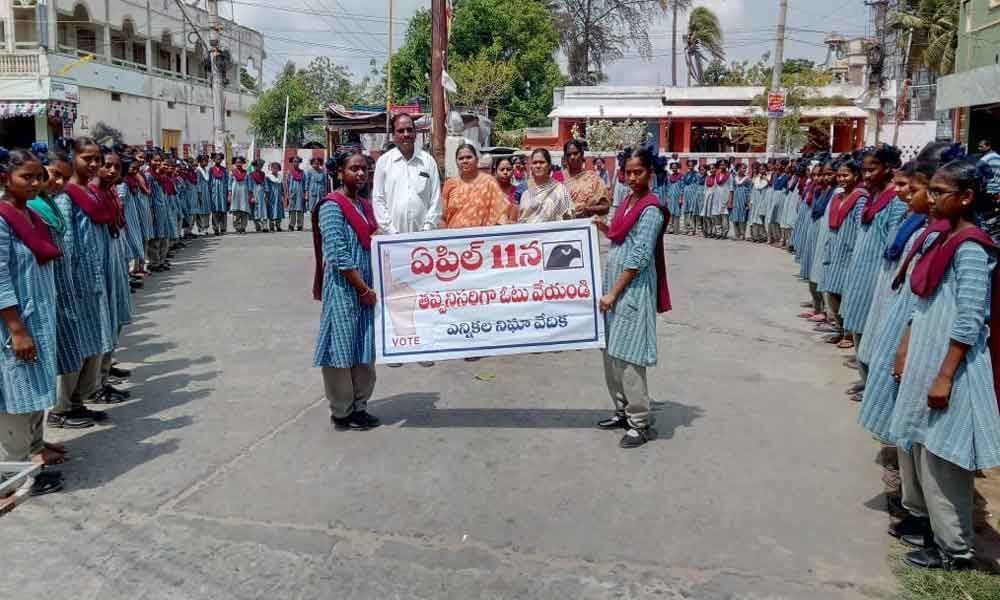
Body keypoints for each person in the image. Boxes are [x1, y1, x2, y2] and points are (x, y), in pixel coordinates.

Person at [886, 159, 1000, 571]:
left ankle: (955, 549)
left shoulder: (971, 247)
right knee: (921, 446)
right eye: (930, 191)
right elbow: (924, 304)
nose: (930, 199)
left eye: (938, 192)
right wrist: (906, 348)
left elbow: (970, 318)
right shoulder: (946, 238)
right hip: (926, 356)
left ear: (966, 197)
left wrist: (945, 374)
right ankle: (932, 530)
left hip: (951, 366)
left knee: (944, 460)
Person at [593, 146, 671, 449]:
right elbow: (620, 235)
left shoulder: (651, 209)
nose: (632, 177)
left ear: (650, 173)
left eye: (638, 172)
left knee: (629, 357)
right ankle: (623, 410)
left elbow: (638, 256)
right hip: (615, 290)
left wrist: (614, 292)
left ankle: (640, 422)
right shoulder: (627, 201)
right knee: (612, 352)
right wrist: (604, 228)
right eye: (628, 172)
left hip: (632, 290)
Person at [0, 147, 64, 499]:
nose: (37, 183)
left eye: (40, 176)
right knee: (15, 395)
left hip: (39, 315)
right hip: (16, 322)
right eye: (28, 177)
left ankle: (35, 449)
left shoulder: (29, 214)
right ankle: (12, 474)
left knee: (37, 385)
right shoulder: (2, 217)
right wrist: (17, 329)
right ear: (5, 178)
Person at [48, 138, 117, 428]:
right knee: (72, 347)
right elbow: (65, 247)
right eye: (87, 158)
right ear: (73, 158)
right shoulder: (67, 196)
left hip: (91, 279)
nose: (94, 164)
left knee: (90, 343)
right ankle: (60, 409)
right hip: (72, 284)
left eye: (97, 159)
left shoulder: (89, 193)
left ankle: (77, 402)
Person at [312, 151, 380, 431]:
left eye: (364, 169)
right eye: (354, 169)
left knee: (363, 344)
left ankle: (360, 405)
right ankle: (341, 410)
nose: (361, 174)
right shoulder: (332, 206)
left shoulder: (364, 205)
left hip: (366, 286)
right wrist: (362, 288)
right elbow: (337, 254)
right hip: (344, 287)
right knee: (340, 347)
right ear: (340, 172)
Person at [839, 146, 906, 399]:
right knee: (857, 324)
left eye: (872, 170)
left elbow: (892, 245)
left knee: (872, 329)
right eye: (864, 170)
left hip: (877, 273)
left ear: (888, 168)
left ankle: (874, 386)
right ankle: (865, 376)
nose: (866, 175)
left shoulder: (895, 201)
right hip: (860, 268)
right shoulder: (871, 195)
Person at [818, 159, 868, 348]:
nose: (841, 179)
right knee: (831, 292)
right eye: (839, 175)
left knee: (846, 293)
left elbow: (859, 227)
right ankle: (839, 328)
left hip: (849, 251)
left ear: (856, 176)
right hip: (835, 249)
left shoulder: (860, 198)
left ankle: (848, 333)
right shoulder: (838, 197)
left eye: (845, 175)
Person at [372, 113, 442, 235]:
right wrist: (391, 231)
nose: (406, 134)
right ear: (393, 135)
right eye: (400, 131)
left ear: (415, 134)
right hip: (393, 238)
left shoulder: (428, 161)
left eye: (409, 130)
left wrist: (427, 228)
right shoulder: (384, 162)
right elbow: (378, 199)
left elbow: (435, 198)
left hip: (424, 237)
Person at [443, 144, 516, 228]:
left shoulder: (489, 182)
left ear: (477, 160)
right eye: (461, 158)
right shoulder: (450, 184)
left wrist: (505, 234)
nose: (465, 161)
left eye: (469, 157)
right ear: (456, 162)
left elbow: (500, 213)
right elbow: (443, 217)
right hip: (455, 238)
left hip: (482, 238)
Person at [518, 149, 574, 224]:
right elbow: (521, 221)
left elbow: (569, 218)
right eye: (535, 163)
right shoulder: (526, 194)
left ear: (549, 165)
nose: (538, 166)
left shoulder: (560, 189)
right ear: (531, 166)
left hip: (554, 234)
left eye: (542, 162)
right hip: (531, 235)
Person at [563, 139, 611, 219]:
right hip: (563, 228)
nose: (572, 157)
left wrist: (588, 210)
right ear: (565, 157)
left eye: (575, 153)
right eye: (569, 154)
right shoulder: (558, 178)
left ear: (582, 155)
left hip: (586, 227)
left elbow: (605, 207)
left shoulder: (593, 179)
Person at [229, 156, 251, 234]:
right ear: (234, 163)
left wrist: (250, 195)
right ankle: (237, 228)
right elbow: (229, 184)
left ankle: (243, 227)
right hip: (235, 194)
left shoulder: (246, 173)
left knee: (244, 211)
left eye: (240, 162)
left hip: (244, 194)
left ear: (242, 163)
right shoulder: (232, 172)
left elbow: (249, 185)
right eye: (237, 162)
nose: (238, 164)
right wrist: (229, 194)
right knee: (236, 211)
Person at [730, 163, 752, 240]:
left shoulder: (747, 179)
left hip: (743, 199)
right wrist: (731, 200)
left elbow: (749, 191)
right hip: (736, 199)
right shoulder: (734, 178)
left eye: (745, 168)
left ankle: (742, 234)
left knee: (743, 216)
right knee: (735, 216)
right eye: (743, 168)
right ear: (738, 169)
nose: (744, 170)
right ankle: (737, 234)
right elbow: (732, 189)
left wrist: (748, 202)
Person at [208, 153, 229, 235]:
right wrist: (210, 192)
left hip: (223, 193)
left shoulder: (224, 170)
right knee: (215, 211)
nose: (218, 160)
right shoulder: (211, 170)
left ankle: (223, 228)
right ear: (213, 160)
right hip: (214, 193)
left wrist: (228, 193)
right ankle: (216, 228)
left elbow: (227, 181)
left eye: (219, 159)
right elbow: (209, 182)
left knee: (223, 211)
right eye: (216, 159)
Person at [661, 161, 684, 234]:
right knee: (670, 212)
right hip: (670, 197)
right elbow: (668, 187)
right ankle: (670, 228)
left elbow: (682, 188)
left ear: (678, 168)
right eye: (673, 167)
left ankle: (676, 229)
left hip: (677, 197)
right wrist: (667, 197)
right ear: (671, 168)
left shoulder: (681, 176)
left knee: (677, 212)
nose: (674, 169)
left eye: (675, 167)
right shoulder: (669, 177)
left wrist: (681, 197)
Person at [286, 156, 307, 231]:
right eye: (294, 161)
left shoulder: (303, 173)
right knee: (292, 210)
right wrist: (288, 194)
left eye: (297, 161)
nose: (296, 163)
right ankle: (291, 225)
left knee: (300, 209)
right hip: (292, 193)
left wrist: (305, 194)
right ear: (292, 162)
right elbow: (287, 184)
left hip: (300, 193)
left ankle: (300, 225)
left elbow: (305, 184)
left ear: (299, 163)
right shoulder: (289, 172)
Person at [193, 154, 211, 235]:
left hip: (206, 192)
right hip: (201, 192)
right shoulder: (198, 171)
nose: (206, 162)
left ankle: (206, 227)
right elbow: (198, 183)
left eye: (207, 161)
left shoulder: (206, 170)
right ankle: (201, 228)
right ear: (200, 161)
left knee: (207, 210)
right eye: (204, 161)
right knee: (201, 211)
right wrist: (199, 194)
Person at [680, 160, 700, 235]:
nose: (690, 166)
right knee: (686, 211)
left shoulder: (697, 174)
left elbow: (698, 185)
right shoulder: (685, 175)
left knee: (692, 211)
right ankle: (686, 228)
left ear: (694, 165)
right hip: (686, 193)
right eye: (689, 165)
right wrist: (681, 196)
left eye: (692, 165)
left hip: (693, 193)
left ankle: (693, 228)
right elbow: (682, 186)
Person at [248, 158, 269, 233]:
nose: (259, 167)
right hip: (254, 193)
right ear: (254, 166)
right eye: (257, 165)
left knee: (263, 209)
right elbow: (250, 186)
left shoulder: (263, 174)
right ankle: (257, 225)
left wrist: (266, 195)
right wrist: (251, 196)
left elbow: (265, 184)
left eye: (261, 165)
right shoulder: (251, 175)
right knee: (255, 209)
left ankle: (265, 226)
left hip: (262, 193)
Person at [267, 161, 285, 232]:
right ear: (271, 168)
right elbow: (267, 187)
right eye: (273, 168)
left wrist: (283, 195)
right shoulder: (268, 177)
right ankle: (271, 226)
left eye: (276, 168)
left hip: (279, 196)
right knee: (271, 210)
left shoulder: (280, 177)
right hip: (272, 196)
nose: (275, 169)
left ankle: (278, 225)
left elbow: (282, 187)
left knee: (279, 211)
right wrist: (267, 196)